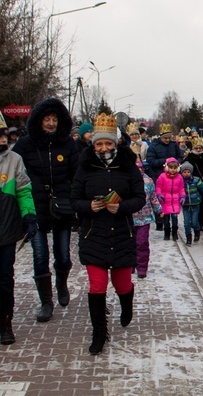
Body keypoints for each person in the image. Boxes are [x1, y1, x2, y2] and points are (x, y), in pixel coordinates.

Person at [70, 113, 146, 355]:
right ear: (93, 144)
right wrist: (88, 207)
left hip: (122, 233)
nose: (103, 147)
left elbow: (140, 198)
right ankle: (99, 334)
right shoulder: (85, 166)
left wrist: (121, 207)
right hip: (94, 234)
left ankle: (127, 306)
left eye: (108, 143)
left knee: (122, 283)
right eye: (99, 143)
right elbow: (74, 199)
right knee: (97, 286)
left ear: (116, 142)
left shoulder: (128, 166)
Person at [12, 98, 79, 322]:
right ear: (39, 121)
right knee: (40, 255)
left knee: (63, 255)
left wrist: (74, 199)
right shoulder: (25, 145)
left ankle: (61, 283)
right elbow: (17, 175)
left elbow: (76, 175)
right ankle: (46, 302)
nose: (50, 123)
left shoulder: (68, 144)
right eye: (46, 119)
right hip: (36, 206)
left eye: (54, 119)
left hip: (62, 206)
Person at [0, 112, 38, 345]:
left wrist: (29, 215)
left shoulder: (14, 159)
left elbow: (23, 190)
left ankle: (5, 322)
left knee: (4, 279)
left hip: (5, 230)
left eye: (3, 135)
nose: (2, 140)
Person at [146, 124, 179, 234]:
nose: (167, 140)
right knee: (159, 199)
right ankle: (160, 221)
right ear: (160, 137)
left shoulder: (174, 145)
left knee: (171, 198)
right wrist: (165, 161)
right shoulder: (153, 146)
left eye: (169, 138)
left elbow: (180, 157)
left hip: (173, 176)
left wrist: (174, 163)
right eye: (165, 138)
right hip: (158, 175)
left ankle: (172, 220)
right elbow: (151, 161)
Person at [132, 159, 162, 279]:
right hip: (129, 217)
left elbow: (153, 197)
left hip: (145, 217)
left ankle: (142, 267)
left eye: (140, 168)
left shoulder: (148, 181)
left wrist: (159, 209)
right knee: (130, 243)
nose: (138, 170)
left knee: (142, 242)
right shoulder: (127, 180)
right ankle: (130, 264)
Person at [184, 138, 203, 235]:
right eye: (196, 148)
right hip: (192, 182)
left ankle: (200, 223)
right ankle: (192, 222)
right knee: (193, 203)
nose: (198, 150)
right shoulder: (189, 157)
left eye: (200, 148)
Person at [180, 161, 203, 245]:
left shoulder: (196, 180)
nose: (186, 174)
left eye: (188, 172)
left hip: (195, 203)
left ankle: (197, 231)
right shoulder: (180, 181)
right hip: (185, 204)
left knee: (194, 221)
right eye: (184, 172)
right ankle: (188, 238)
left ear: (191, 172)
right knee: (187, 223)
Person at [155, 157, 185, 242]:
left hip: (175, 200)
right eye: (171, 168)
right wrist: (159, 194)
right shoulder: (162, 176)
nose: (173, 170)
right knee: (166, 219)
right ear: (167, 167)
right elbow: (158, 187)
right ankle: (167, 233)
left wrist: (182, 196)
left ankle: (174, 232)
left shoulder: (179, 177)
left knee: (175, 218)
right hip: (165, 200)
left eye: (175, 168)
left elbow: (181, 188)